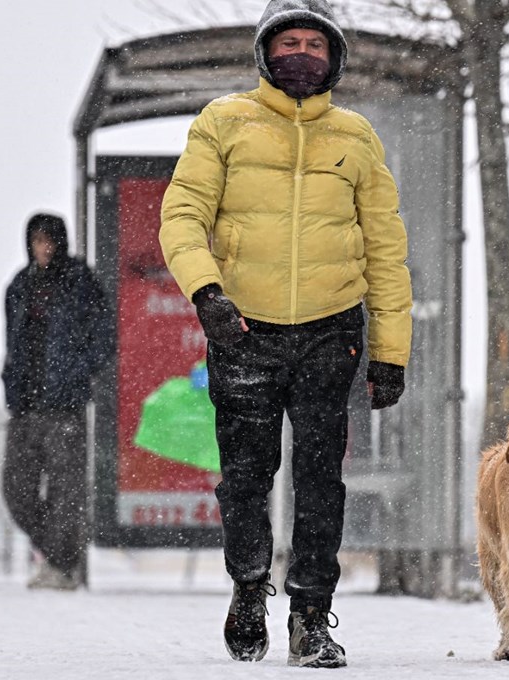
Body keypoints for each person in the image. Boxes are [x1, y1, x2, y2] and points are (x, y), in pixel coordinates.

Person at [159, 0, 413, 668]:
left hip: (333, 331)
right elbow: (182, 214)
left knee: (321, 479)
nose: (301, 55)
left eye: (315, 45)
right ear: (265, 54)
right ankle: (248, 587)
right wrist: (206, 293)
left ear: (335, 59)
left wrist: (390, 351)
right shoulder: (224, 122)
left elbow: (386, 252)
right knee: (244, 478)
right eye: (289, 42)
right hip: (244, 328)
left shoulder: (356, 137)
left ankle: (309, 616)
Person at [0, 213, 114, 591]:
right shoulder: (19, 286)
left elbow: (104, 337)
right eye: (37, 241)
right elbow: (13, 343)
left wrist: (77, 371)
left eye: (49, 240)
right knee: (16, 490)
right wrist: (10, 381)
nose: (43, 248)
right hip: (25, 405)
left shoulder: (81, 284)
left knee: (67, 490)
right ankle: (62, 552)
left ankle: (62, 565)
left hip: (64, 404)